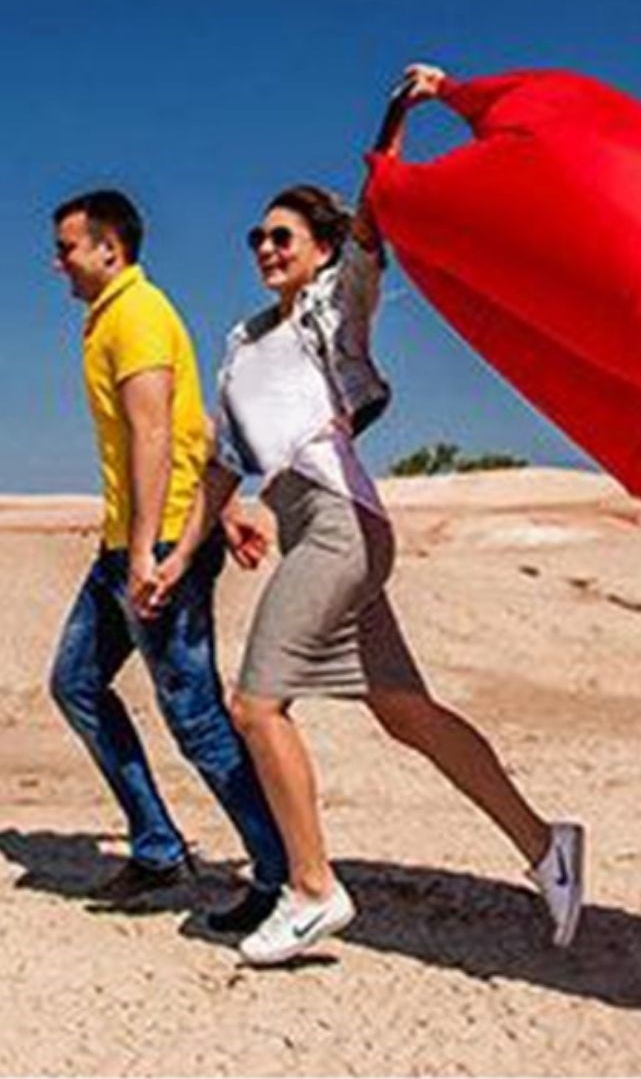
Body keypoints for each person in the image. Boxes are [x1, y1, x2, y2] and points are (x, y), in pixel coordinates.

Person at [146, 66, 585, 966]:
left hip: (342, 523)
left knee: (255, 705)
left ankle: (313, 890)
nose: (265, 248)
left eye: (282, 236)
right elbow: (224, 467)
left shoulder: (333, 310)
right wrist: (178, 556)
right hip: (312, 528)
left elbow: (374, 215)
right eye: (257, 237)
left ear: (318, 249)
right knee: (405, 711)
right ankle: (549, 847)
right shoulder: (240, 345)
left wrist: (398, 116)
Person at [48, 189, 289, 931]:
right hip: (125, 543)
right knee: (75, 683)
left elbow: (153, 434)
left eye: (67, 248)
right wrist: (228, 510)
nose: (58, 262)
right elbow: (191, 426)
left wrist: (151, 552)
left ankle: (282, 874)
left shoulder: (138, 315)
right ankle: (156, 846)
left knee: (194, 714)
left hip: (149, 548)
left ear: (109, 248)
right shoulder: (111, 317)